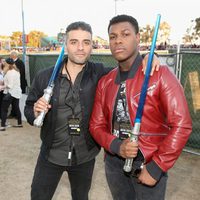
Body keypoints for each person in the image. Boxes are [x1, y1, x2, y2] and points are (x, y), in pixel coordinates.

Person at [24, 21, 160, 200]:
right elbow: (28, 108)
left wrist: (149, 56)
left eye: (86, 42)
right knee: (38, 196)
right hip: (50, 155)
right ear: (65, 45)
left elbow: (127, 67)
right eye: (74, 42)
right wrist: (34, 111)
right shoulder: (45, 76)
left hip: (85, 156)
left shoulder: (100, 73)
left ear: (92, 46)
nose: (80, 48)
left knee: (81, 196)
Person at [89, 14, 192, 200]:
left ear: (137, 38)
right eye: (113, 37)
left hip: (148, 163)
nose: (118, 40)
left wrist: (157, 167)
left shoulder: (160, 74)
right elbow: (96, 126)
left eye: (125, 34)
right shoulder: (105, 82)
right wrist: (116, 146)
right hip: (114, 164)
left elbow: (182, 125)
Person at [0, 58, 22, 131]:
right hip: (17, 92)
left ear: (7, 64)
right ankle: (19, 123)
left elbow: (10, 85)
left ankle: (2, 126)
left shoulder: (9, 73)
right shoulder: (16, 71)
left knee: (4, 109)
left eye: (5, 63)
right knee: (16, 108)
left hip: (10, 93)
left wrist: (2, 87)